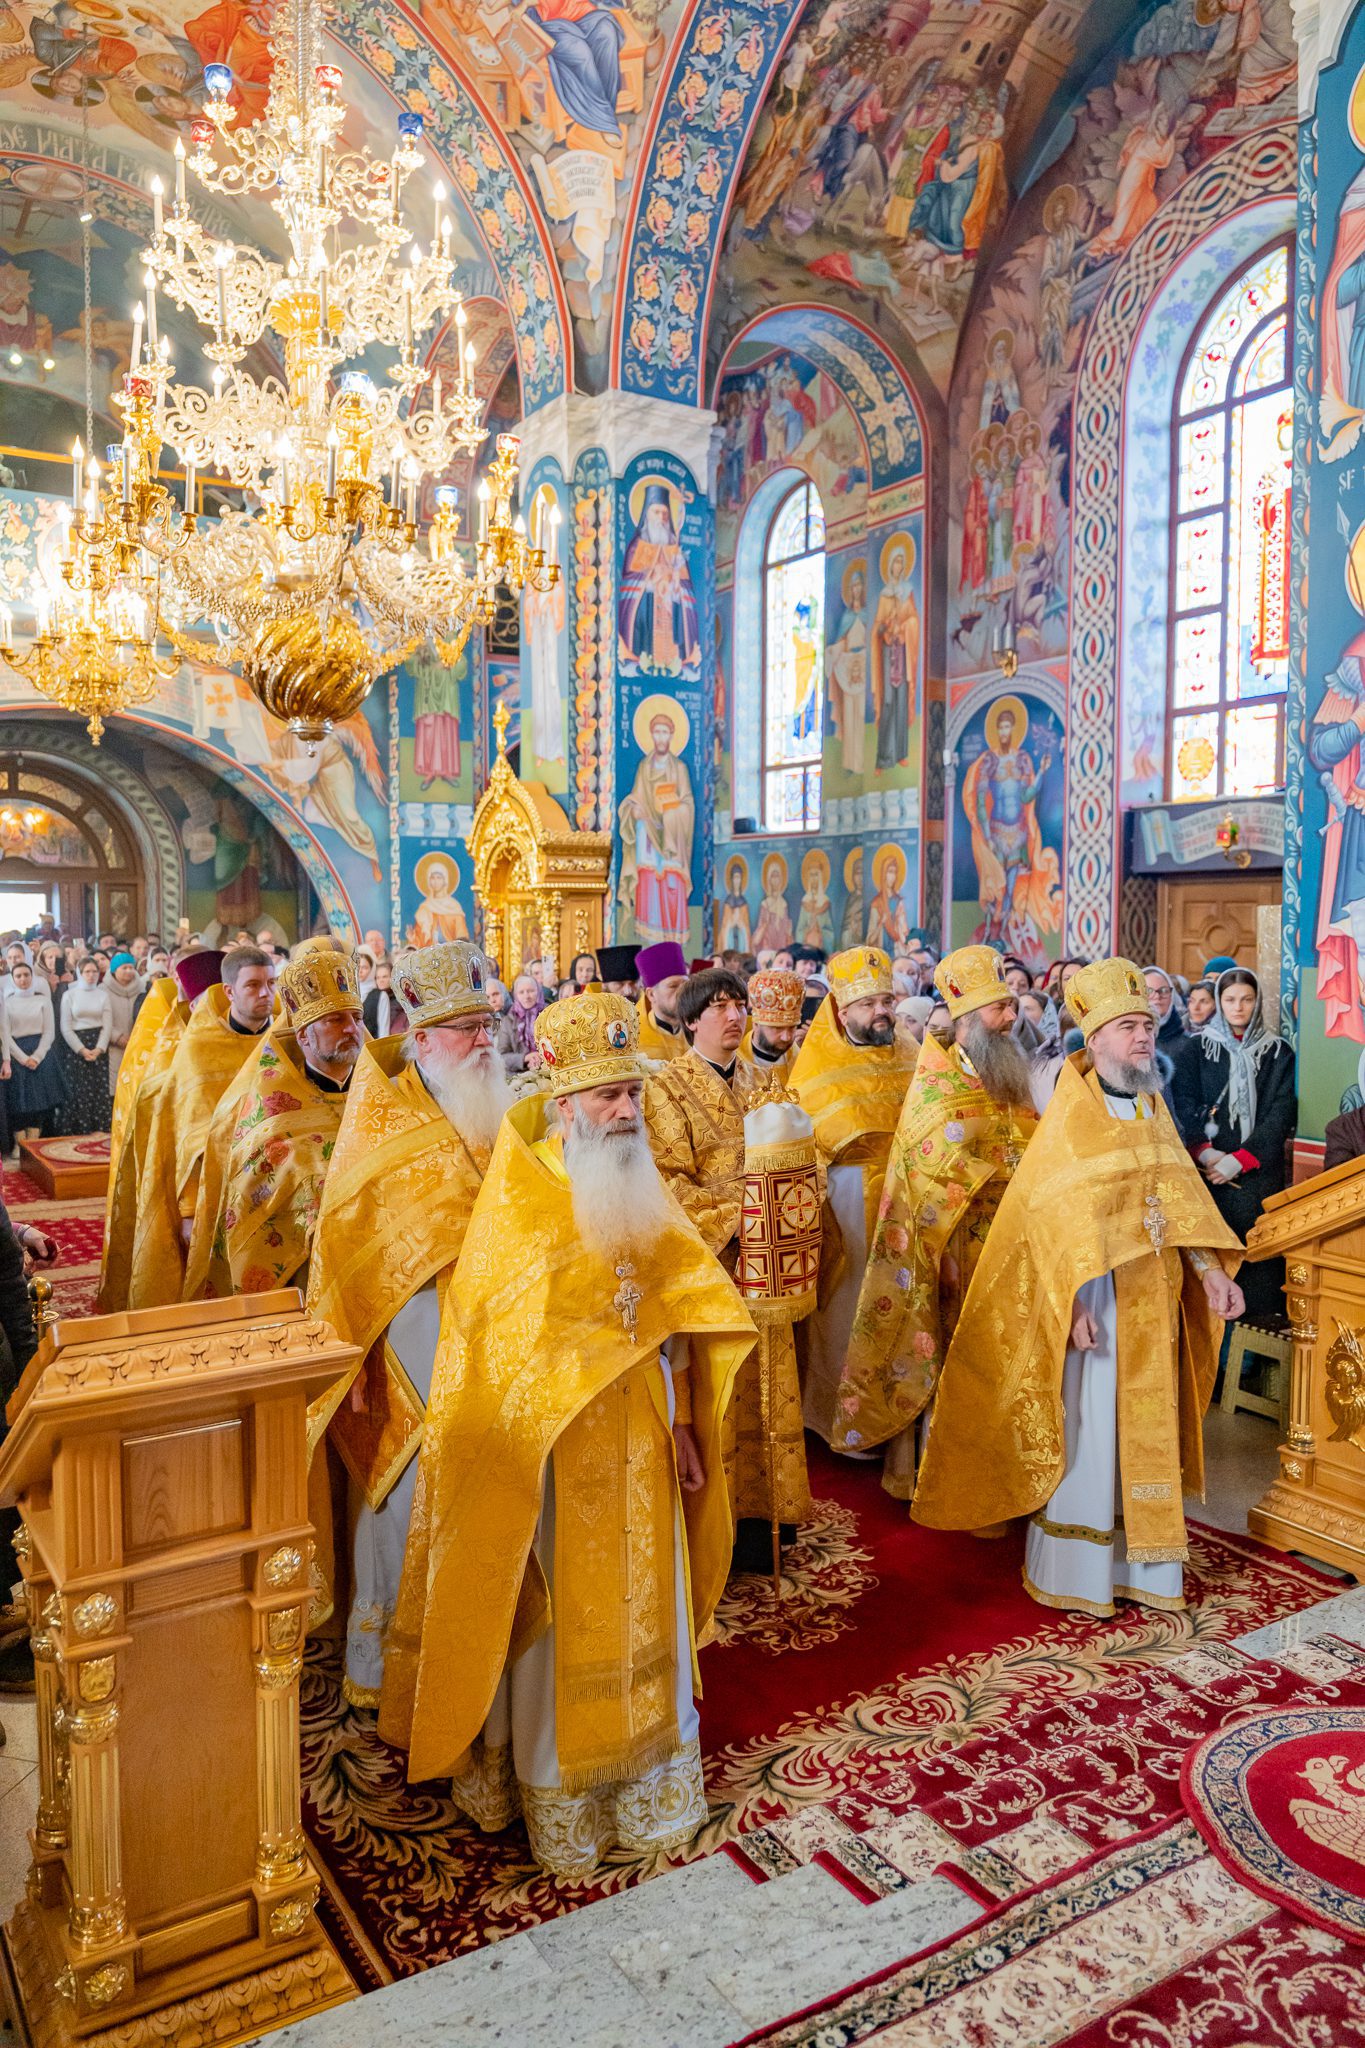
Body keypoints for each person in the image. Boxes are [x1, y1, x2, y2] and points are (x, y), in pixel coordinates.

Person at [377, 991, 752, 1875]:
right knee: (556, 1626)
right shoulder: (524, 1193)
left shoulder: (640, 1180)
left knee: (646, 1603)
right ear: (562, 1102)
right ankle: (559, 1796)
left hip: (641, 1434)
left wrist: (685, 1421)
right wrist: (528, 1434)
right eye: (605, 1096)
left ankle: (650, 1779)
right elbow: (491, 1341)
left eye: (631, 1093)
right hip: (553, 1454)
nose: (624, 1111)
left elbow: (674, 1314)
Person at [914, 958, 1245, 1617]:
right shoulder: (1071, 1113)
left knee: (1146, 1427)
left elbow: (1179, 1199)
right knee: (1092, 1433)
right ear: (1093, 1040)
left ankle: (1147, 1568)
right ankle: (1079, 1571)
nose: (1143, 1037)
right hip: (1095, 1299)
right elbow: (1044, 1220)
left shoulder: (1151, 1105)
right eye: (1127, 1027)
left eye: (1147, 1025)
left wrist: (1210, 1272)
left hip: (1154, 1294)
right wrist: (1065, 1307)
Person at [307, 942, 510, 1707]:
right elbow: (343, 1246)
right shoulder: (380, 1120)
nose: (483, 1041)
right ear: (421, 1036)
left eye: (487, 1024)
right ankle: (393, 1669)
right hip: (410, 1345)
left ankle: (478, 1656)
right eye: (465, 1028)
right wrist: (350, 1354)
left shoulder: (495, 1104)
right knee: (407, 1493)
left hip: (493, 1336)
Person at [836, 945, 1040, 1498]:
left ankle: (999, 1472)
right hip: (952, 1249)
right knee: (949, 1358)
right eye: (999, 1009)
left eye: (1011, 1005)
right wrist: (941, 1254)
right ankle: (935, 1475)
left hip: (1012, 1244)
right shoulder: (936, 1086)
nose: (1010, 1017)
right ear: (968, 1020)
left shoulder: (1010, 1076)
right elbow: (922, 1178)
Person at [644, 969, 811, 1567]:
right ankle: (720, 1529)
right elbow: (666, 1181)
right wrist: (745, 1213)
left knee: (771, 1387)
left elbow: (802, 1160)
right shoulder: (665, 1089)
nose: (735, 1016)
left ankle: (767, 1516)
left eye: (739, 1004)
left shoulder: (767, 1083)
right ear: (691, 1021)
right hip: (715, 1267)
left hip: (771, 1266)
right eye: (719, 1007)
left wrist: (790, 1205)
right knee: (721, 1389)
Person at [185, 941, 366, 1299]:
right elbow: (252, 1195)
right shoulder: (269, 1107)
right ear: (303, 1036)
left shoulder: (380, 1091)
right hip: (302, 1278)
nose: (352, 1030)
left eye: (357, 1019)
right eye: (335, 1020)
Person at [788, 947, 917, 1442]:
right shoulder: (815, 1065)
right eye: (867, 1004)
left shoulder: (911, 1053)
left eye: (886, 1001)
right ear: (842, 1013)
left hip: (908, 1201)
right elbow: (803, 1145)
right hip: (846, 1207)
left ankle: (897, 1423)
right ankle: (842, 1424)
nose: (881, 1012)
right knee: (847, 1317)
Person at [123, 946, 275, 1310]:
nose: (266, 993)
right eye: (253, 985)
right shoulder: (200, 1048)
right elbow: (188, 1140)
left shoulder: (284, 1041)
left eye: (271, 983)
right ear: (229, 991)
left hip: (274, 1186)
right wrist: (189, 1213)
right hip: (214, 1194)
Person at [1170, 966, 1296, 1320]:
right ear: (1219, 1003)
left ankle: (1254, 1346)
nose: (1238, 1007)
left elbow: (1281, 1111)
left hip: (1257, 1178)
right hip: (1208, 1176)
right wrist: (1205, 1152)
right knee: (1214, 1266)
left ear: (1257, 1002)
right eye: (1230, 999)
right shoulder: (1196, 1049)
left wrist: (1241, 1158)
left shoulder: (1277, 1052)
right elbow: (1183, 1103)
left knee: (1257, 1264)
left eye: (1247, 999)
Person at [1, 962, 60, 1141]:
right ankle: (19, 1145)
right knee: (18, 1102)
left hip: (40, 1054)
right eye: (18, 976)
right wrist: (22, 1058)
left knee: (39, 1103)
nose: (23, 979)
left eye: (26, 975)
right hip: (16, 1054)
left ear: (32, 977)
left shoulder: (43, 1000)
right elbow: (5, 1034)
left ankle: (33, 1144)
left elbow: (49, 1032)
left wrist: (37, 1057)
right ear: (12, 979)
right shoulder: (7, 1003)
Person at [59, 956, 113, 1134]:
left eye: (94, 971)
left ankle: (100, 1128)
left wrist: (99, 1049)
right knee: (78, 1090)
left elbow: (107, 1025)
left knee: (99, 1090)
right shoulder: (69, 995)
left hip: (98, 1045)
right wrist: (81, 1050)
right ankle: (78, 1130)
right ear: (80, 973)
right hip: (77, 1046)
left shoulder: (103, 995)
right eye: (87, 972)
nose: (91, 975)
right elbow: (65, 1027)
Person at [635, 939, 689, 1063]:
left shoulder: (700, 1033)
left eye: (686, 984)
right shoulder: (634, 1040)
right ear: (651, 994)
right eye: (673, 986)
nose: (683, 992)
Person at [747, 968, 804, 1081]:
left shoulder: (802, 1061)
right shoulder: (734, 1062)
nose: (786, 1037)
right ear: (756, 1024)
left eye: (792, 1027)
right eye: (777, 1028)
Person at [104, 953, 141, 1094]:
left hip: (137, 1044)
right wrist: (116, 1037)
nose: (129, 971)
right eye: (124, 968)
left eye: (131, 967)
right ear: (114, 970)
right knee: (117, 1088)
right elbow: (100, 1019)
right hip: (113, 1046)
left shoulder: (142, 989)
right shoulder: (103, 990)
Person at [497, 972, 543, 1075]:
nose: (526, 996)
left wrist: (541, 1058)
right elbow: (501, 1057)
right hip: (519, 1076)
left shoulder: (549, 1014)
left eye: (531, 991)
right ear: (515, 995)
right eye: (521, 992)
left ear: (538, 992)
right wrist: (525, 1058)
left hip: (549, 1070)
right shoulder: (507, 1021)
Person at [1144, 965, 1188, 1050]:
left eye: (1164, 990)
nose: (1157, 996)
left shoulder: (1187, 1045)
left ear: (1172, 995)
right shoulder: (1125, 1038)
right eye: (1148, 991)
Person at [362, 960, 409, 1039]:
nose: (381, 980)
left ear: (392, 977)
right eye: (378, 977)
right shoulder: (371, 999)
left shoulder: (401, 1000)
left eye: (385, 977)